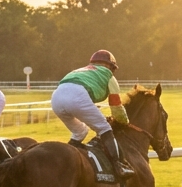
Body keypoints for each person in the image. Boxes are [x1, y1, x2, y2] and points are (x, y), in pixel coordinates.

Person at [51, 49, 133, 178]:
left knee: (80, 131)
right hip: (77, 96)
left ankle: (67, 161)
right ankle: (119, 166)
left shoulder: (81, 71)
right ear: (110, 66)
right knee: (105, 128)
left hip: (56, 98)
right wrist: (124, 121)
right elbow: (116, 106)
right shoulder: (109, 76)